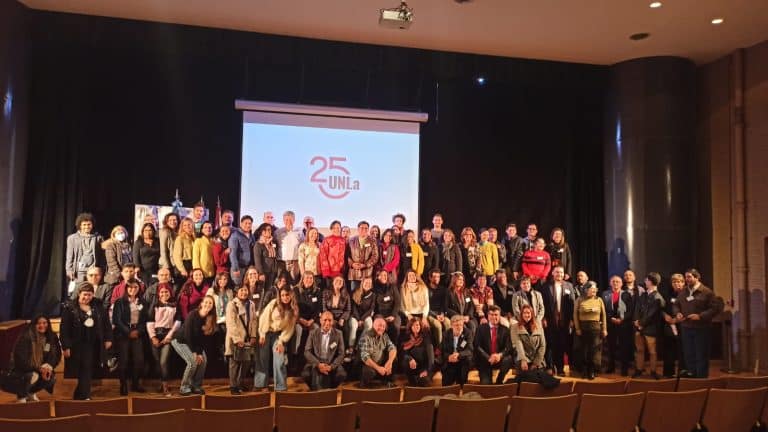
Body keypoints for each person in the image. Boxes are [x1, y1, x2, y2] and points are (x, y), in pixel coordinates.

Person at [60, 282, 113, 400]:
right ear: (79, 294)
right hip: (77, 344)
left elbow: (106, 323)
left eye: (89, 295)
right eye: (84, 295)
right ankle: (85, 396)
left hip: (95, 344)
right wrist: (66, 346)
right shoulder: (70, 307)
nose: (87, 297)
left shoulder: (98, 305)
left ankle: (79, 395)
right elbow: (64, 329)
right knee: (85, 368)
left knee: (88, 369)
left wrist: (108, 338)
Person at [674, 269, 720, 378]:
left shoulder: (707, 292)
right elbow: (676, 305)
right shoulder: (683, 292)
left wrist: (700, 316)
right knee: (689, 354)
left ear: (697, 277)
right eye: (686, 277)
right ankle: (692, 377)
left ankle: (701, 379)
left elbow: (715, 309)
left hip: (702, 329)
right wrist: (678, 313)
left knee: (701, 355)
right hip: (686, 327)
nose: (687, 279)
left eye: (689, 277)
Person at [7, 315, 61, 402]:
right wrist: (39, 369)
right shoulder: (26, 337)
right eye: (39, 323)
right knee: (33, 376)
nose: (42, 325)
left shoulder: (51, 337)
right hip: (23, 370)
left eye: (44, 323)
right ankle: (22, 395)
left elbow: (57, 355)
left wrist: (49, 367)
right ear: (34, 325)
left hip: (40, 368)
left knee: (51, 377)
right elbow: (21, 361)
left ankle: (31, 392)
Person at [172, 295, 217, 395]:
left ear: (213, 306)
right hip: (181, 341)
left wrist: (200, 352)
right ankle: (184, 387)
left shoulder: (210, 319)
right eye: (206, 302)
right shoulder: (193, 314)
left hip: (195, 343)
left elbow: (203, 339)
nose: (207, 304)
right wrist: (194, 352)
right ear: (201, 304)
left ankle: (196, 386)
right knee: (192, 362)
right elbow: (188, 335)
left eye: (210, 303)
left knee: (203, 361)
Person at [255, 286, 297, 391]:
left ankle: (280, 386)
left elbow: (289, 328)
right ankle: (261, 385)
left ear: (291, 295)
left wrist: (281, 341)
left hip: (279, 335)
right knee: (262, 358)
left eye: (287, 295)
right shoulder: (274, 303)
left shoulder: (293, 309)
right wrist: (262, 334)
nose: (285, 297)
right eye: (282, 295)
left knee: (279, 359)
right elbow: (264, 317)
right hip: (266, 331)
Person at [111, 280, 148, 395]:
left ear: (139, 288)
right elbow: (116, 320)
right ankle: (123, 385)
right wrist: (128, 332)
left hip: (137, 333)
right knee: (124, 360)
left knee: (139, 360)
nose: (133, 289)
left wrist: (138, 331)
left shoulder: (143, 302)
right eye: (130, 287)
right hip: (123, 334)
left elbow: (145, 320)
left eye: (135, 287)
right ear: (126, 288)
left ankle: (135, 384)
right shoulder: (119, 302)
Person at [146, 284, 181, 396]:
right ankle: (161, 383)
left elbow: (177, 323)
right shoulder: (155, 305)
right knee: (157, 362)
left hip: (168, 335)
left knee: (163, 361)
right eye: (162, 292)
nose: (164, 294)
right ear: (158, 294)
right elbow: (150, 322)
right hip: (156, 334)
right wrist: (153, 337)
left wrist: (169, 337)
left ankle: (165, 386)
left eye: (166, 292)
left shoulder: (175, 305)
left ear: (170, 293)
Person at [540, 266, 576, 376]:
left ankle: (560, 369)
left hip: (564, 320)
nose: (559, 274)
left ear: (564, 274)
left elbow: (572, 303)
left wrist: (571, 320)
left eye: (561, 272)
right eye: (557, 272)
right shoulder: (545, 286)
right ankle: (550, 367)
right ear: (552, 273)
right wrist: (544, 318)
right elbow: (543, 303)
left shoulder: (569, 286)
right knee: (550, 344)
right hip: (550, 319)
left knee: (561, 344)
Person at [225, 284, 258, 394]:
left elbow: (254, 320)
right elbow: (231, 323)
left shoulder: (251, 304)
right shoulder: (232, 304)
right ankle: (233, 386)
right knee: (234, 363)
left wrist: (253, 335)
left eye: (245, 290)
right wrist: (237, 339)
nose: (244, 292)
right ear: (236, 292)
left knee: (246, 362)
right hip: (235, 338)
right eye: (241, 290)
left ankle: (240, 383)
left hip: (247, 338)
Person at [303, 311, 346, 390]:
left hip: (331, 362)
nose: (327, 323)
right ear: (320, 320)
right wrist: (318, 364)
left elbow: (341, 354)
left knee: (342, 374)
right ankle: (314, 391)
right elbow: (307, 351)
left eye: (330, 320)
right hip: (317, 361)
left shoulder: (339, 334)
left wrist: (331, 367)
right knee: (306, 374)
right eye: (325, 320)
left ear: (333, 321)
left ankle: (331, 389)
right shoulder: (313, 333)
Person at [633, 272, 665, 379]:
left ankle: (653, 371)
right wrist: (636, 320)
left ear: (650, 281)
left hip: (650, 329)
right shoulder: (644, 294)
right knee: (639, 350)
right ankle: (639, 369)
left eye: (646, 280)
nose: (645, 282)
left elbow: (652, 315)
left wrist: (641, 324)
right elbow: (637, 308)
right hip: (639, 327)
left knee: (652, 352)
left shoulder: (657, 297)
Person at [574, 281, 607, 380]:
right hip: (583, 327)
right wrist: (577, 328)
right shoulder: (580, 299)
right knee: (583, 349)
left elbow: (603, 315)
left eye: (595, 289)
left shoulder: (599, 300)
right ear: (586, 289)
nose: (594, 290)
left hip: (595, 327)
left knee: (594, 350)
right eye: (591, 289)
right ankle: (584, 370)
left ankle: (592, 370)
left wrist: (604, 329)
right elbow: (575, 315)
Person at [475, 305, 513, 384]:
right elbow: (477, 346)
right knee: (486, 384)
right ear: (488, 316)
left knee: (508, 359)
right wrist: (488, 357)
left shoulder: (505, 329)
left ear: (499, 316)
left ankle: (500, 380)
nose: (494, 317)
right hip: (485, 360)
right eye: (491, 314)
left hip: (499, 359)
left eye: (496, 315)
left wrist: (499, 355)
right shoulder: (480, 328)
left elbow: (508, 347)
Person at [603, 275, 632, 375]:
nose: (615, 283)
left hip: (623, 325)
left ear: (622, 284)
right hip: (611, 324)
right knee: (611, 347)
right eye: (613, 281)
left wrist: (622, 319)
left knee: (624, 347)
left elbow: (630, 310)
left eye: (618, 282)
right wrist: (611, 318)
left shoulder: (627, 294)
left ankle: (624, 369)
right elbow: (603, 310)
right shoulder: (605, 294)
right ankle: (611, 367)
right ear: (610, 283)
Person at [358, 317, 397, 388]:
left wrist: (390, 362)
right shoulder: (366, 336)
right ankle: (363, 386)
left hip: (379, 364)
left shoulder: (385, 335)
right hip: (366, 365)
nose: (382, 328)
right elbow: (365, 358)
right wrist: (378, 368)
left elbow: (392, 348)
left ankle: (386, 381)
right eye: (379, 325)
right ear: (373, 325)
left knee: (394, 358)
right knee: (369, 372)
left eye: (383, 326)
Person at [66, 212, 105, 282]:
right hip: (79, 271)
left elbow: (102, 256)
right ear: (80, 226)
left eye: (89, 224)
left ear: (92, 225)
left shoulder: (98, 238)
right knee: (80, 290)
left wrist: (102, 269)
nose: (86, 227)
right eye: (84, 225)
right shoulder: (72, 238)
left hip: (94, 270)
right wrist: (69, 270)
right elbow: (69, 256)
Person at [662, 273, 687, 377]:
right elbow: (662, 308)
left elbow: (689, 310)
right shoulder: (667, 294)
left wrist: (676, 320)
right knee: (669, 350)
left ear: (683, 283)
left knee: (682, 350)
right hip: (669, 326)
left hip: (683, 326)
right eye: (674, 282)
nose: (677, 284)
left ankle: (682, 372)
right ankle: (668, 373)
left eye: (679, 282)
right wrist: (665, 316)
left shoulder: (687, 295)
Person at [293, 271, 323, 355]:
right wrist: (300, 319)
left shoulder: (317, 291)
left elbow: (318, 308)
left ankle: (312, 353)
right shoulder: (296, 290)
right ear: (302, 279)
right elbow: (294, 307)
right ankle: (295, 353)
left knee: (316, 329)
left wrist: (312, 320)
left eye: (311, 278)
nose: (309, 280)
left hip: (312, 319)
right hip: (299, 319)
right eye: (307, 278)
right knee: (298, 330)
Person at [511, 304, 546, 373]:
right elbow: (518, 344)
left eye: (528, 313)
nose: (526, 315)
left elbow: (542, 345)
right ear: (521, 314)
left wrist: (536, 363)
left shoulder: (538, 326)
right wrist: (523, 360)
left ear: (532, 314)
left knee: (538, 379)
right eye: (524, 313)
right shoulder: (515, 327)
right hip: (522, 358)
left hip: (537, 359)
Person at [441, 314, 473, 386]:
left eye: (461, 325)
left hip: (462, 360)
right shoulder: (446, 334)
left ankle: (462, 386)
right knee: (446, 383)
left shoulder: (467, 333)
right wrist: (449, 357)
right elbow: (443, 350)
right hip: (450, 361)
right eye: (456, 325)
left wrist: (459, 355)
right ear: (451, 326)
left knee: (462, 377)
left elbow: (470, 350)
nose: (459, 327)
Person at [347, 221, 379, 292]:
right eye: (362, 228)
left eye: (366, 228)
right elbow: (347, 255)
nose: (364, 230)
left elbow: (375, 256)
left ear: (368, 230)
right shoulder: (351, 240)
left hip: (367, 273)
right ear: (358, 229)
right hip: (354, 273)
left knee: (366, 295)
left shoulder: (372, 241)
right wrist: (352, 264)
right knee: (354, 295)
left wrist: (365, 265)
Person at [401, 318, 434, 387]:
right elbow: (404, 353)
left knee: (424, 381)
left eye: (418, 325)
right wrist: (410, 359)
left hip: (425, 366)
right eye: (414, 325)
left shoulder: (425, 337)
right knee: (405, 362)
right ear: (410, 327)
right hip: (414, 365)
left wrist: (427, 370)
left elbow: (431, 357)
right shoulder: (407, 337)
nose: (416, 326)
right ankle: (412, 382)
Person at [349, 277, 376, 358]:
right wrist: (358, 319)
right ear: (362, 283)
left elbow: (371, 309)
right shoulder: (355, 292)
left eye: (369, 283)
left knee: (369, 325)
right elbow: (353, 308)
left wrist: (362, 319)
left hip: (366, 316)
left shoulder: (373, 295)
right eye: (366, 282)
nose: (367, 284)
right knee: (354, 326)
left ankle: (358, 346)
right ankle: (351, 347)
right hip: (355, 316)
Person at [373, 270, 401, 344]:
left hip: (392, 313)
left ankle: (393, 347)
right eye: (381, 275)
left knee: (396, 326)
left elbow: (398, 302)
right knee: (380, 326)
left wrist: (393, 315)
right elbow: (373, 305)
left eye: (385, 275)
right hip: (380, 313)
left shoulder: (393, 287)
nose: (384, 277)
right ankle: (380, 347)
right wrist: (380, 317)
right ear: (378, 277)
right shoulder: (374, 289)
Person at [274, 210, 302, 284]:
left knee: (294, 283)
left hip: (295, 262)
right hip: (281, 262)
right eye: (286, 219)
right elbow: (273, 244)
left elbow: (302, 245)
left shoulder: (299, 232)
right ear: (283, 220)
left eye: (291, 219)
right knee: (281, 283)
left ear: (294, 220)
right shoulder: (278, 232)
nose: (288, 221)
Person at [323, 276, 351, 343]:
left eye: (340, 281)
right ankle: (330, 347)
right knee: (332, 327)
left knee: (346, 328)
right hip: (329, 315)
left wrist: (342, 319)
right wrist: (331, 318)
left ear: (343, 284)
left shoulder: (346, 294)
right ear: (332, 282)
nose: (338, 282)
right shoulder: (325, 292)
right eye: (336, 280)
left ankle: (344, 347)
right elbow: (324, 307)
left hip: (341, 315)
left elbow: (348, 310)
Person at [253, 222, 279, 293]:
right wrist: (261, 273)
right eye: (266, 230)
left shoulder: (273, 242)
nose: (268, 231)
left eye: (269, 229)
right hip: (264, 271)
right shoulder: (258, 245)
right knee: (260, 291)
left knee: (269, 291)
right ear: (262, 232)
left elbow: (275, 256)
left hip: (272, 271)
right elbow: (257, 260)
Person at [229, 215, 255, 286]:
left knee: (247, 287)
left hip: (248, 267)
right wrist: (235, 268)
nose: (248, 225)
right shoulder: (235, 235)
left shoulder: (252, 236)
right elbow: (232, 253)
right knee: (238, 287)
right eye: (246, 223)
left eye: (249, 223)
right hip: (239, 267)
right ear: (241, 224)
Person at [133, 222, 160, 288]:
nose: (148, 232)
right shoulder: (139, 242)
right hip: (143, 270)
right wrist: (137, 267)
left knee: (154, 287)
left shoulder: (158, 241)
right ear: (142, 232)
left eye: (150, 230)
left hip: (155, 270)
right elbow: (135, 256)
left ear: (153, 231)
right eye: (146, 230)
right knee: (144, 287)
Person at [319, 220, 346, 286]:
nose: (336, 229)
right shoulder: (327, 240)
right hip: (330, 271)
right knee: (330, 290)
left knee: (340, 288)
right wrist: (326, 271)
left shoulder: (343, 240)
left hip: (341, 270)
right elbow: (323, 255)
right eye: (334, 228)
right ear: (331, 229)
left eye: (338, 228)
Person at [426, 269, 449, 345]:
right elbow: (425, 306)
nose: (436, 279)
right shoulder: (425, 289)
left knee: (448, 322)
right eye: (434, 276)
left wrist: (442, 314)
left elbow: (444, 304)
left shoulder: (443, 289)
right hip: (429, 313)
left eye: (438, 277)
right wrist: (435, 316)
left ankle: (449, 345)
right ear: (430, 278)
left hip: (440, 313)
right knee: (438, 325)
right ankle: (440, 347)